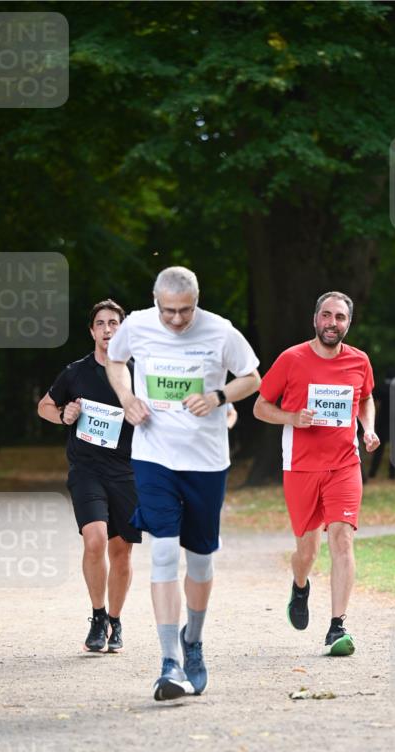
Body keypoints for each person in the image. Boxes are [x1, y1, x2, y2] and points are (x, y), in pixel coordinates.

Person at [106, 266, 260, 701]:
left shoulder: (220, 331)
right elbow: (115, 361)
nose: (176, 320)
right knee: (163, 552)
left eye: (185, 310)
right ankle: (169, 661)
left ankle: (194, 640)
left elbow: (252, 377)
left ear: (197, 300)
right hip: (153, 455)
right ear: (155, 300)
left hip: (207, 461)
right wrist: (127, 398)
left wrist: (218, 397)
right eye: (169, 311)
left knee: (200, 561)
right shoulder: (136, 325)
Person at [253, 291, 379, 656]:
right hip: (301, 467)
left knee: (342, 538)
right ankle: (300, 583)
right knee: (306, 550)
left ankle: (337, 626)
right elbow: (261, 407)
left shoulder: (359, 361)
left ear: (348, 323)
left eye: (340, 317)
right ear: (315, 319)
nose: (332, 323)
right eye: (326, 315)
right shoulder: (291, 359)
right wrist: (292, 418)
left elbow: (366, 397)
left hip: (344, 464)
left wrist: (367, 428)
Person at [38, 299, 142, 652]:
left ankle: (116, 620)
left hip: (127, 472)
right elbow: (45, 406)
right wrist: (65, 415)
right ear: (92, 331)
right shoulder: (76, 372)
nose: (108, 329)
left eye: (114, 323)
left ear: (123, 328)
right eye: (101, 323)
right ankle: (97, 618)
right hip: (86, 470)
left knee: (121, 551)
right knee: (95, 539)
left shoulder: (139, 372)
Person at [368, 368, 395, 479]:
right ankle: (392, 474)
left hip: (382, 421)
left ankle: (372, 472)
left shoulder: (382, 387)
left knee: (378, 449)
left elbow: (373, 401)